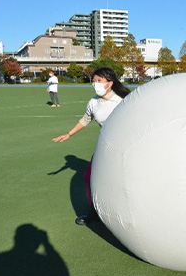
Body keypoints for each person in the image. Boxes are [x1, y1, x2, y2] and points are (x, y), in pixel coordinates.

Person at [52, 68, 131, 225]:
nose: (95, 84)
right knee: (89, 177)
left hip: (127, 146)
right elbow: (85, 119)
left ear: (110, 83)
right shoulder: (93, 102)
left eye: (99, 81)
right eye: (93, 81)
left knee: (125, 181)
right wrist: (68, 134)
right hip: (106, 145)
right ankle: (94, 209)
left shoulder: (124, 100)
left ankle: (127, 212)